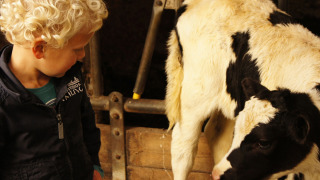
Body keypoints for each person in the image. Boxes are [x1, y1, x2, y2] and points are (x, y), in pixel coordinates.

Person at [0, 0, 108, 179]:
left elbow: (86, 122)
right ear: (40, 48)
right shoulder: (5, 102)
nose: (82, 55)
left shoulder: (71, 77)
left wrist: (95, 165)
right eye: (77, 49)